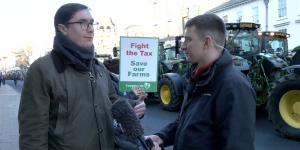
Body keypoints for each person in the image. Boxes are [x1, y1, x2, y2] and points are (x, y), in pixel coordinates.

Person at [18, 3, 149, 150]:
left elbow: (112, 103)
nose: (91, 29)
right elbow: (32, 135)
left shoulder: (98, 68)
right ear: (63, 29)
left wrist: (133, 106)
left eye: (92, 23)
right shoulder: (42, 70)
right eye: (83, 23)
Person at [145, 14, 256, 150]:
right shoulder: (197, 76)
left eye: (188, 40)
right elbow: (188, 122)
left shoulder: (233, 85)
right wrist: (161, 137)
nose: (184, 46)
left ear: (206, 42)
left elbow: (237, 145)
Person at [103, 58, 147, 150]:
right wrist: (133, 94)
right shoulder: (111, 83)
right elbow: (115, 104)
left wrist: (137, 104)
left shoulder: (122, 82)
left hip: (128, 134)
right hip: (119, 137)